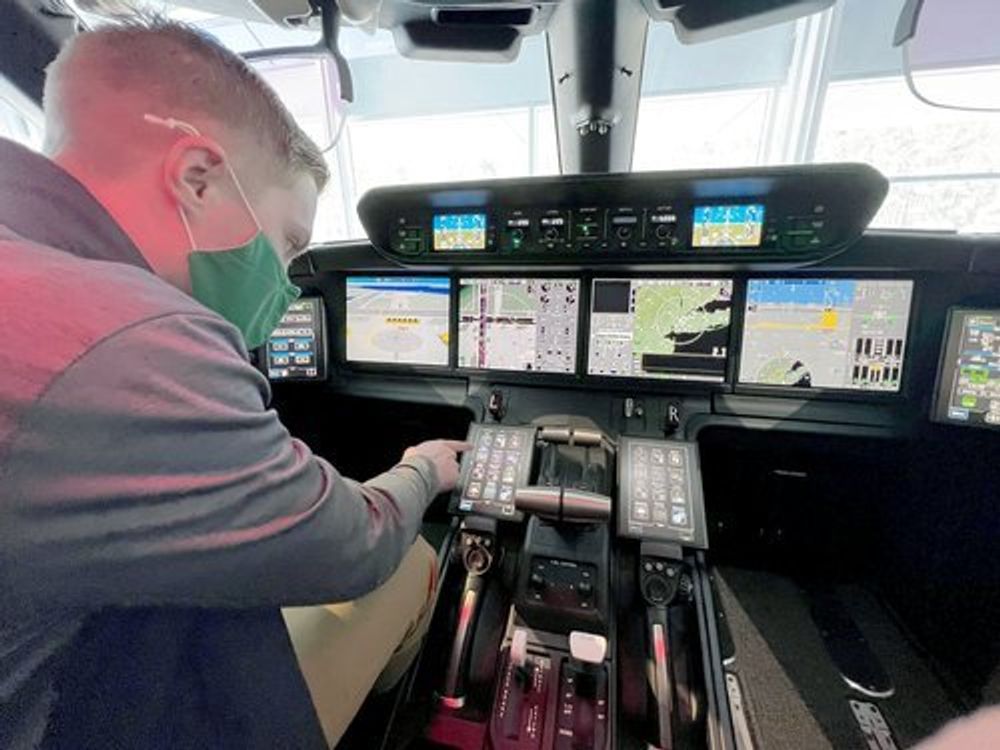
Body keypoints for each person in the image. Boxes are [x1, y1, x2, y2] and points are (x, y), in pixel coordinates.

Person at [0, 18, 467, 749]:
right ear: (195, 177)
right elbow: (351, 544)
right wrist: (421, 470)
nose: (284, 281)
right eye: (288, 242)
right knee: (409, 561)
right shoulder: (136, 339)